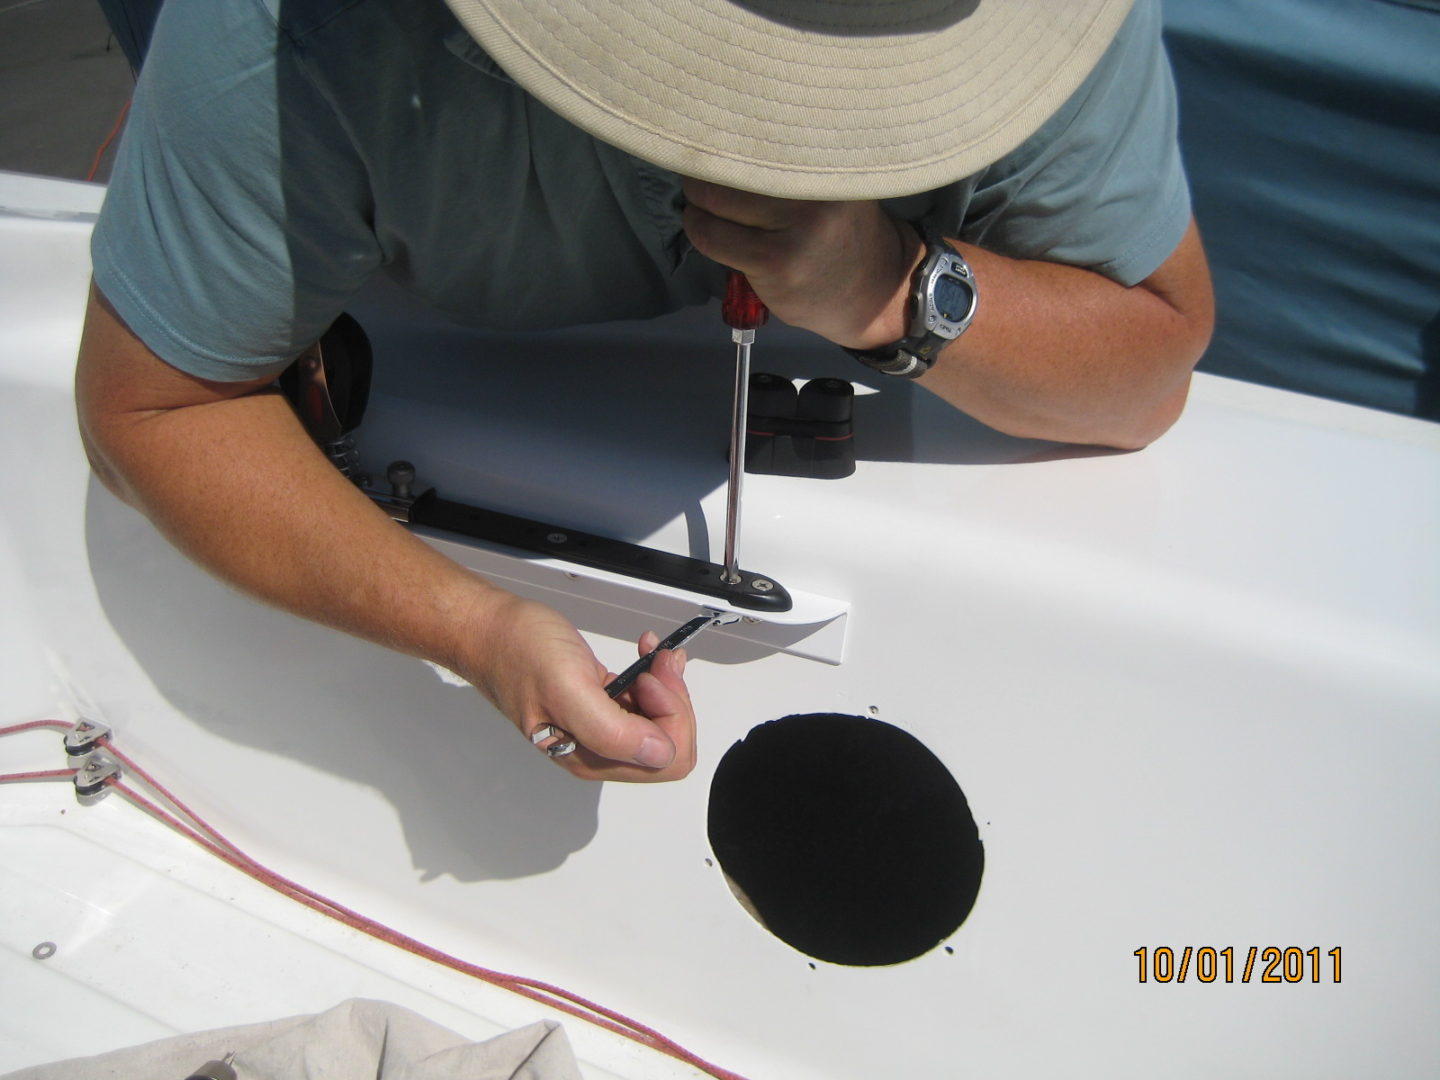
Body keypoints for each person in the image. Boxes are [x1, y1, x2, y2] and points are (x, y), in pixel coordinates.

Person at [75, 0, 1214, 782]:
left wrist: (890, 288)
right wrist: (474, 627)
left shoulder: (1055, 35)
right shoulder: (301, 30)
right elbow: (150, 406)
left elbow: (1150, 372)